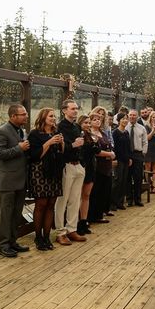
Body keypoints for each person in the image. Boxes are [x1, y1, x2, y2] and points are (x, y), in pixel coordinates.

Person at [0, 104, 31, 258]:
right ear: (13, 116)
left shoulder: (21, 131)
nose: (26, 116)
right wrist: (19, 148)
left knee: (16, 214)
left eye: (26, 114)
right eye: (22, 114)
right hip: (8, 181)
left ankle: (13, 241)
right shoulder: (1, 132)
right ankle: (3, 245)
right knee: (6, 214)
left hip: (21, 179)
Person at [28, 107, 65, 250]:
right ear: (43, 118)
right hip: (40, 171)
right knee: (41, 204)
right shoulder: (35, 134)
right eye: (51, 116)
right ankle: (38, 238)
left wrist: (61, 144)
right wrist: (49, 143)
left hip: (55, 171)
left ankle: (47, 236)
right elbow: (35, 155)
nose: (53, 119)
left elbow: (62, 153)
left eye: (54, 116)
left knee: (51, 205)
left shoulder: (56, 132)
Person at [54, 99, 87, 246]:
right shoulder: (59, 127)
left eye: (76, 108)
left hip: (78, 165)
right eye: (72, 108)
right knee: (63, 200)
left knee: (75, 199)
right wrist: (73, 145)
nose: (75, 111)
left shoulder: (76, 126)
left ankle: (72, 229)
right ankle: (60, 232)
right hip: (66, 165)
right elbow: (59, 148)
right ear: (64, 110)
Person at [77, 114, 101, 235]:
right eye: (85, 123)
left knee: (86, 195)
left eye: (88, 123)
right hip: (81, 167)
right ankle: (76, 223)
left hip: (91, 168)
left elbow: (97, 151)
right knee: (78, 196)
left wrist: (96, 142)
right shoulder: (78, 135)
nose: (87, 125)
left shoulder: (91, 136)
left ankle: (83, 221)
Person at [89, 109, 113, 223]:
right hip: (97, 166)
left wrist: (111, 154)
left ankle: (100, 213)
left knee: (104, 190)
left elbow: (109, 145)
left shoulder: (103, 133)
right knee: (95, 192)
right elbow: (96, 151)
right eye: (95, 119)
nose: (98, 121)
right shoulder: (90, 135)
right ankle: (93, 215)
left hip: (107, 165)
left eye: (99, 119)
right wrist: (108, 154)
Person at [127, 109, 148, 207]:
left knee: (138, 177)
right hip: (128, 154)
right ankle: (129, 199)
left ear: (137, 116)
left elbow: (145, 141)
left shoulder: (141, 128)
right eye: (130, 115)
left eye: (134, 115)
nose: (132, 117)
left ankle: (138, 199)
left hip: (138, 154)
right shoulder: (125, 127)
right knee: (128, 177)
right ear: (128, 116)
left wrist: (143, 153)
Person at [112, 113, 132, 211]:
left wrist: (130, 158)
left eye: (126, 119)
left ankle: (120, 202)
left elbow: (128, 147)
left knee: (124, 181)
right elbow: (114, 147)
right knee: (117, 180)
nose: (125, 120)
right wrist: (114, 159)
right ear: (119, 120)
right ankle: (113, 203)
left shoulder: (126, 132)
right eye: (123, 119)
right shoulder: (115, 132)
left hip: (125, 159)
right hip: (118, 159)